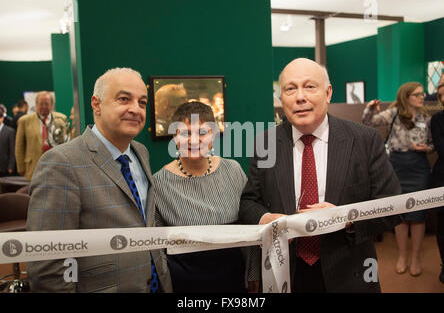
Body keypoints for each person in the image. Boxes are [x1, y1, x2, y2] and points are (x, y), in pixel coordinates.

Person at [239, 58, 402, 293]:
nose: (300, 97)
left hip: (350, 272)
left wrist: (344, 217)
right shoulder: (266, 143)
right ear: (281, 98)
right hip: (287, 272)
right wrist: (265, 218)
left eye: (309, 86)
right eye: (290, 89)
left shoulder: (365, 140)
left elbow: (391, 206)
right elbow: (248, 202)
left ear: (328, 93)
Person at [26, 68, 172, 293]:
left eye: (142, 102)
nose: (135, 109)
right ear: (96, 104)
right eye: (124, 99)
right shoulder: (61, 162)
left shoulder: (140, 153)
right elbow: (48, 262)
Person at [153, 101, 258, 293]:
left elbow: (249, 225)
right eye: (185, 133)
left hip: (233, 280)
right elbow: (156, 248)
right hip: (183, 285)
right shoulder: (158, 183)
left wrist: (252, 272)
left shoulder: (233, 170)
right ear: (175, 136)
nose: (194, 141)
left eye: (202, 132)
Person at [362, 81, 433, 277]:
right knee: (400, 215)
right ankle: (402, 256)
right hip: (396, 166)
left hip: (419, 167)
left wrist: (426, 148)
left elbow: (432, 144)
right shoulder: (393, 114)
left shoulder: (425, 118)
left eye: (422, 94)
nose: (422, 97)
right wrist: (369, 108)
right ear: (406, 96)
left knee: (418, 216)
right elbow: (368, 123)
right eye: (417, 94)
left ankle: (415, 258)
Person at [15, 92, 68, 180]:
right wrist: (21, 168)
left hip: (57, 167)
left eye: (46, 104)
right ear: (36, 105)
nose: (44, 106)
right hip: (33, 167)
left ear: (52, 105)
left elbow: (65, 144)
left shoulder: (61, 119)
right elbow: (19, 146)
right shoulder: (24, 121)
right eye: (41, 104)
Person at [431, 81, 444, 283]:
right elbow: (442, 149)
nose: (443, 99)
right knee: (442, 227)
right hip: (442, 179)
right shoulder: (437, 120)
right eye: (440, 96)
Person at [0, 106, 16, 177]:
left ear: (2, 118)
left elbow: (12, 150)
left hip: (4, 167)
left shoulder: (10, 131)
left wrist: (11, 166)